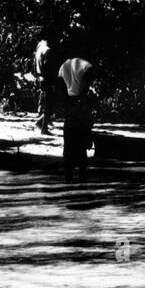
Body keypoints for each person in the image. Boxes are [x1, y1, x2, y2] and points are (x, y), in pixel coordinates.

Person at [57, 52, 96, 183]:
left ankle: (68, 177)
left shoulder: (63, 66)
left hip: (69, 105)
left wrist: (68, 105)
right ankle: (82, 176)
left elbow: (61, 90)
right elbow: (84, 89)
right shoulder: (87, 66)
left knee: (68, 142)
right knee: (82, 142)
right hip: (81, 105)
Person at [33, 36, 59, 134]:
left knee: (45, 103)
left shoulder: (39, 49)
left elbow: (35, 65)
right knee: (49, 104)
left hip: (41, 78)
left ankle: (41, 123)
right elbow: (48, 67)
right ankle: (43, 127)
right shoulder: (48, 51)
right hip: (47, 79)